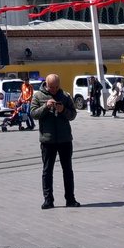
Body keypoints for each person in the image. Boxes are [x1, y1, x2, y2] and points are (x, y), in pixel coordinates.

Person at [30, 74, 79, 209]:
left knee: (67, 170)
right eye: (52, 87)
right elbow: (33, 114)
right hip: (47, 140)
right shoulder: (38, 96)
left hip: (65, 139)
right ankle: (48, 200)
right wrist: (45, 107)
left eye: (57, 87)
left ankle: (70, 199)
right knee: (47, 171)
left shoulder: (65, 95)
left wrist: (63, 110)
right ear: (46, 84)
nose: (54, 90)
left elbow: (73, 115)